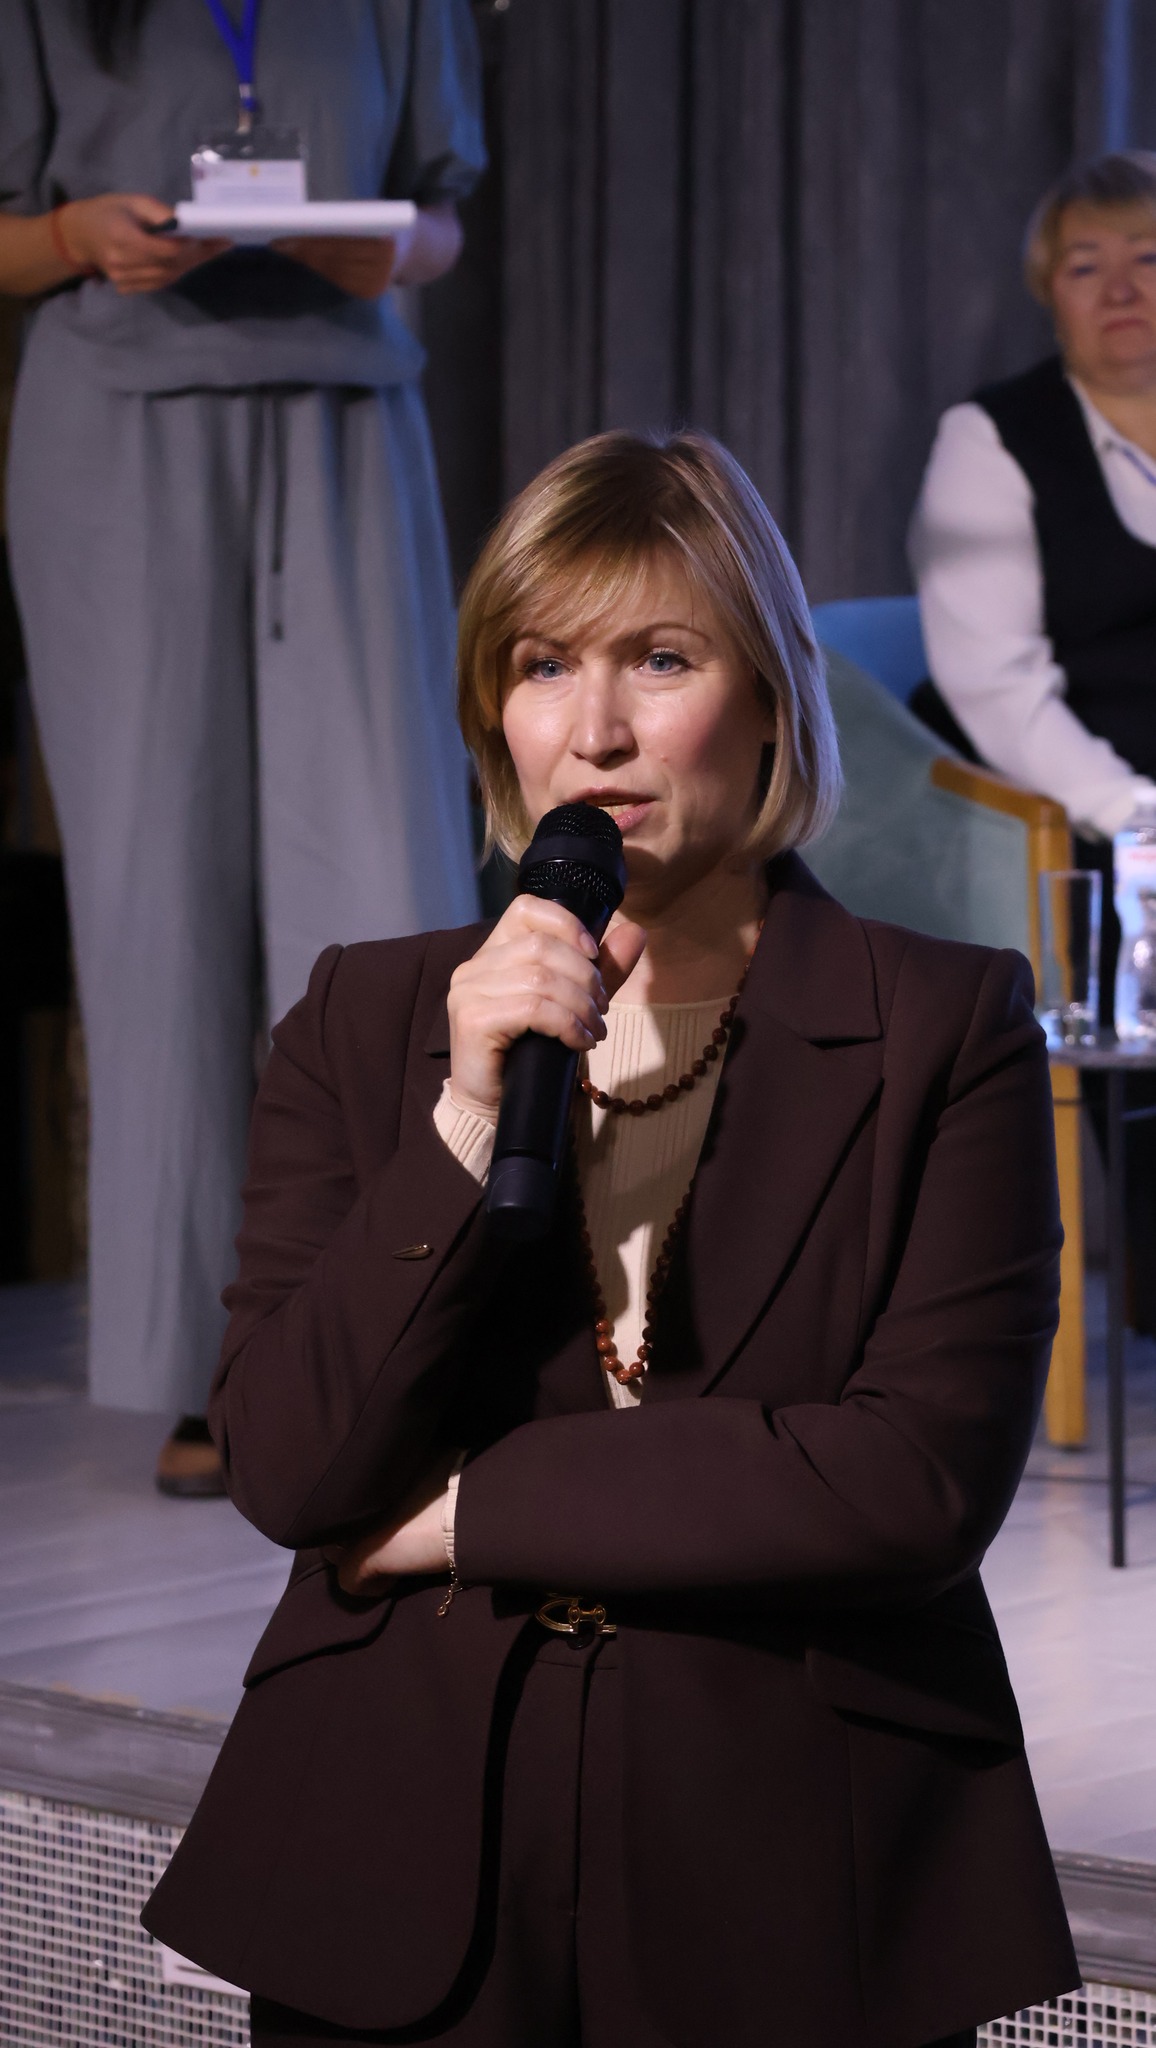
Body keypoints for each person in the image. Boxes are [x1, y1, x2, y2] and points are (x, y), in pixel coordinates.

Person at [142, 431, 1077, 2047]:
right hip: (396, 1848)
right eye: (541, 665)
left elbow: (911, 1480)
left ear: (769, 695)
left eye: (660, 658)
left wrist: (466, 1512)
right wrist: (460, 1118)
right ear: (492, 713)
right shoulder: (369, 1016)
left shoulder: (947, 1022)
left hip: (792, 1857)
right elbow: (288, 1462)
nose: (595, 731)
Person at [0, 0, 484, 1492]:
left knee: (383, 885)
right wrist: (74, 235)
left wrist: (396, 252)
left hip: (345, 414)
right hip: (117, 426)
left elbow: (440, 215)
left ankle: (402, 1338)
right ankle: (211, 1366)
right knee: (161, 906)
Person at [910, 148, 1156, 1328]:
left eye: (1149, 257)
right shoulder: (991, 438)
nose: (1122, 287)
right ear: (1047, 291)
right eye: (1085, 263)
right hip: (1067, 791)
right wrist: (1141, 818)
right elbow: (997, 687)